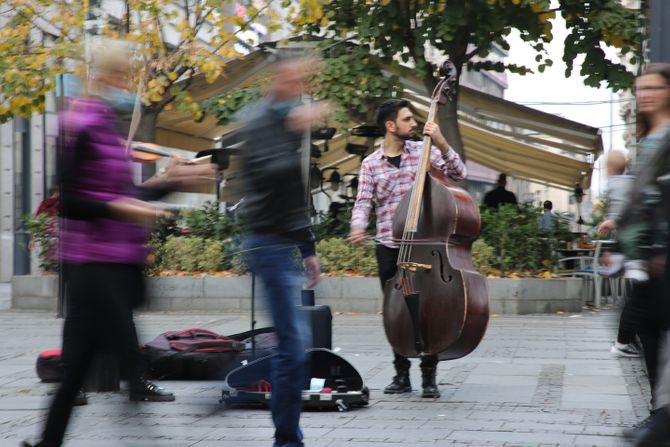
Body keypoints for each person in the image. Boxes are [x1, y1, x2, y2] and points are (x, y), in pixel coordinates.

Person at [23, 40, 216, 447]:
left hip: (114, 264)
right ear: (104, 74)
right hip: (95, 266)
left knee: (81, 370)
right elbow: (71, 202)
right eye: (123, 73)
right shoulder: (80, 124)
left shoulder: (106, 123)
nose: (127, 82)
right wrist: (122, 210)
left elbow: (131, 197)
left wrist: (169, 183)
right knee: (126, 362)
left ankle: (45, 444)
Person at [236, 57, 328, 447]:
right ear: (278, 81)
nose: (301, 90)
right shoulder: (258, 122)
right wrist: (293, 126)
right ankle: (287, 440)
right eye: (296, 81)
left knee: (294, 347)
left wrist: (307, 248)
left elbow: (293, 194)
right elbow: (271, 175)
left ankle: (288, 437)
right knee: (292, 348)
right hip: (265, 244)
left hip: (279, 244)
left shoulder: (280, 124)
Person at [348, 99, 466, 399]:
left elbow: (459, 173)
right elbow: (363, 201)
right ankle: (401, 374)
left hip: (426, 245)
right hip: (389, 245)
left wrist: (440, 141)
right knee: (396, 310)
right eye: (407, 119)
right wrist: (358, 226)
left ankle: (429, 376)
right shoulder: (370, 164)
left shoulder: (423, 152)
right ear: (391, 126)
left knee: (428, 308)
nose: (415, 124)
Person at [597, 64, 670, 443]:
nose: (644, 95)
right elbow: (640, 189)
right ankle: (659, 415)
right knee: (644, 324)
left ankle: (661, 418)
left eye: (653, 88)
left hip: (662, 246)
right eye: (640, 88)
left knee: (648, 323)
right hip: (646, 247)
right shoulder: (651, 137)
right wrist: (616, 229)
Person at [595, 151, 641, 358]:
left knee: (637, 295)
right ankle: (624, 339)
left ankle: (626, 338)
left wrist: (612, 225)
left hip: (630, 247)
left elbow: (623, 212)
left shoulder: (616, 185)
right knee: (638, 296)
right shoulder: (629, 182)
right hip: (634, 248)